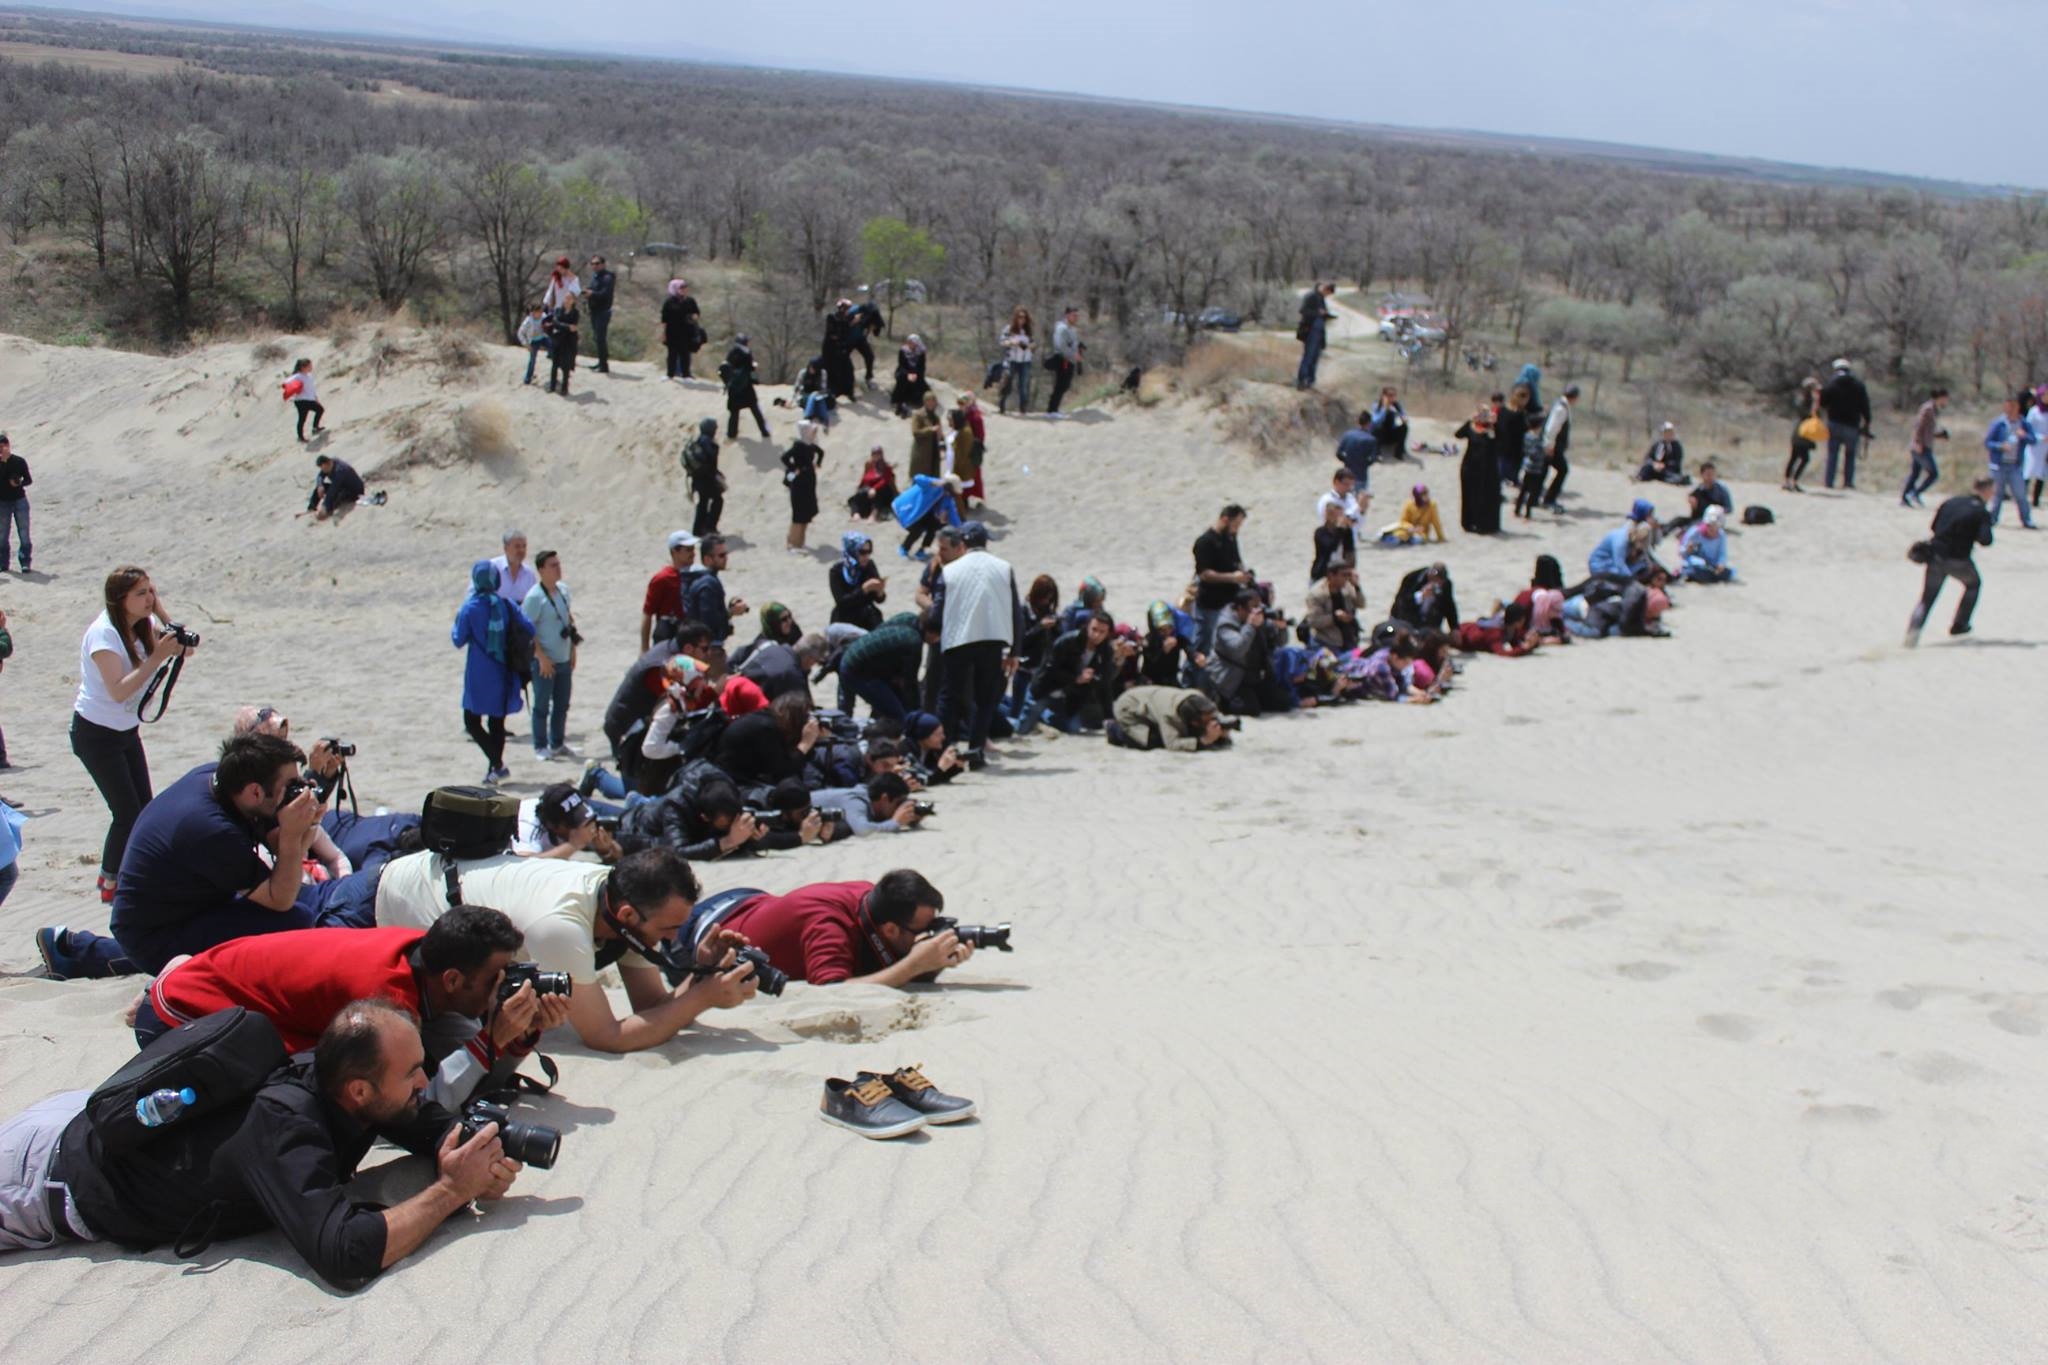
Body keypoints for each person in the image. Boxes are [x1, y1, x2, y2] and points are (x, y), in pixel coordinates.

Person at [0, 998, 521, 1285]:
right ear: (359, 1089)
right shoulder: (286, 1124)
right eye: (412, 1071)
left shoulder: (342, 1081)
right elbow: (342, 1254)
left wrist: (479, 1150)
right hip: (42, 1178)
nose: (424, 1082)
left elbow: (426, 1123)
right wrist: (453, 1190)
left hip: (77, 1121)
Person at [137, 908, 569, 1107]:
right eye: (497, 978)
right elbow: (421, 1103)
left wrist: (518, 1037)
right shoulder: (384, 1004)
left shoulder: (424, 960)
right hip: (185, 1015)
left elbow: (472, 1061)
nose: (505, 985)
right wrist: (492, 1039)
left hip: (212, 977)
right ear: (453, 980)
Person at [39, 733, 378, 980]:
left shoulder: (217, 779)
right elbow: (280, 899)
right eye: (290, 785)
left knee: (302, 904)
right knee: (298, 922)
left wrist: (305, 813)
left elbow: (271, 846)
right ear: (255, 791)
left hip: (181, 908)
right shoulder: (211, 830)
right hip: (155, 935)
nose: (298, 789)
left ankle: (88, 953)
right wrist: (293, 836)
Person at [378, 846, 758, 1051]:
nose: (675, 939)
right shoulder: (561, 926)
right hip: (378, 906)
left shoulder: (618, 899)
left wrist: (702, 975)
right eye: (669, 928)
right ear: (627, 915)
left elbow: (652, 1009)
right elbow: (608, 1037)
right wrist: (704, 998)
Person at [71, 567, 195, 904]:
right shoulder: (104, 635)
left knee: (145, 809)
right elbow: (118, 691)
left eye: (150, 592)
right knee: (126, 813)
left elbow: (187, 650)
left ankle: (135, 872)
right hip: (95, 735)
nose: (148, 599)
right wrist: (156, 656)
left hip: (125, 732)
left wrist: (161, 614)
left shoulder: (144, 624)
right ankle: (110, 882)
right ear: (119, 599)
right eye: (140, 594)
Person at [703, 871, 973, 987]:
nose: (931, 933)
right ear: (890, 930)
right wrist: (913, 965)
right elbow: (833, 990)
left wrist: (932, 963)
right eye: (925, 929)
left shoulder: (875, 902)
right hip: (705, 928)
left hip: (751, 901)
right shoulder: (830, 926)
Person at [938, 521, 1017, 767]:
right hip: (992, 638)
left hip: (958, 639)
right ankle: (975, 751)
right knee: (985, 699)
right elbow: (1016, 611)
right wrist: (1015, 649)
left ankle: (945, 750)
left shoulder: (950, 570)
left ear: (963, 543)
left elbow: (939, 607)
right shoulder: (1003, 567)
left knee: (951, 697)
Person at [453, 561, 528, 784]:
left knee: (472, 721)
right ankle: (494, 767)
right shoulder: (506, 605)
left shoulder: (470, 608)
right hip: (504, 671)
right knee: (497, 724)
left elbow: (458, 639)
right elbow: (528, 628)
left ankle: (496, 764)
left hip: (479, 673)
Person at [1906, 475, 1995, 646]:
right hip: (1958, 560)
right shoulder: (1981, 512)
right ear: (1987, 490)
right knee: (1974, 584)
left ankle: (1911, 637)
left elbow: (1934, 527)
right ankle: (1960, 624)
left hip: (1935, 555)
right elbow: (1986, 540)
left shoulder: (1951, 502)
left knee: (1927, 599)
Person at [522, 549, 578, 761]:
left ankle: (557, 743)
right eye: (553, 565)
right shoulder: (534, 597)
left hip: (564, 656)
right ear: (541, 570)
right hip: (545, 660)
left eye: (558, 564)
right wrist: (541, 657)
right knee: (542, 705)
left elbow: (569, 620)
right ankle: (540, 745)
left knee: (562, 704)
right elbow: (528, 631)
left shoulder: (563, 590)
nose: (558, 568)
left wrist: (573, 649)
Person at [1205, 590, 1292, 716]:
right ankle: (1223, 702)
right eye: (1253, 607)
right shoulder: (1225, 625)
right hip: (1233, 678)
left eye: (1259, 606)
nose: (1258, 611)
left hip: (1255, 675)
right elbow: (1237, 650)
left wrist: (1282, 628)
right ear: (1240, 609)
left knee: (1284, 703)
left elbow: (1280, 643)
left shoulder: (1260, 618)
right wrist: (1250, 626)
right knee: (1251, 709)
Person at [1035, 611, 1122, 732]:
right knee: (1021, 725)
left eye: (1102, 632)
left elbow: (1105, 684)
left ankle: (1045, 717)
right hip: (1047, 690)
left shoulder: (1105, 651)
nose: (1097, 635)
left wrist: (1109, 717)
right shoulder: (1068, 641)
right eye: (1094, 629)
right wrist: (1075, 677)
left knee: (1072, 728)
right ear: (1087, 627)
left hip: (1070, 696)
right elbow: (1049, 671)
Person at [837, 610, 926, 722]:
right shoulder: (914, 641)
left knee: (889, 706)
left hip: (854, 657)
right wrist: (917, 714)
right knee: (897, 716)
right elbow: (910, 683)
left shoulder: (907, 618)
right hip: (859, 671)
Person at [1191, 503, 1252, 654]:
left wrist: (1244, 574)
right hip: (1211, 604)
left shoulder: (1230, 539)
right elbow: (1204, 574)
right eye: (1236, 524)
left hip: (1230, 601)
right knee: (1205, 646)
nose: (1237, 529)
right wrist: (1232, 578)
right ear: (1225, 519)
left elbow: (1236, 561)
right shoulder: (1205, 542)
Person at [1107, 686, 1229, 752]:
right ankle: (1114, 729)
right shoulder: (1169, 715)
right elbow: (1172, 744)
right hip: (1129, 708)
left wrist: (1222, 733)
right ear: (1194, 722)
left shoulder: (1198, 700)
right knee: (1151, 742)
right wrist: (1204, 740)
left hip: (1152, 702)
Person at [809, 773, 927, 836]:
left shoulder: (870, 799)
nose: (900, 808)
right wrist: (894, 823)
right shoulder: (856, 801)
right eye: (898, 803)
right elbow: (862, 830)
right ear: (884, 798)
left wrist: (912, 819)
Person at [683, 532, 747, 645]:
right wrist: (731, 612)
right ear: (707, 559)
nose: (726, 559)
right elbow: (708, 622)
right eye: (721, 556)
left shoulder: (704, 578)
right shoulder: (708, 584)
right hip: (709, 647)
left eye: (726, 554)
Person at [640, 530, 699, 652]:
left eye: (693, 549)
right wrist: (644, 648)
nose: (693, 554)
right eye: (688, 550)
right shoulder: (662, 579)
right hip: (669, 638)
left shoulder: (697, 576)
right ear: (674, 552)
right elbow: (648, 613)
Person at [1985, 393, 2037, 529]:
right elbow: (1988, 442)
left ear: (2018, 407)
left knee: (2020, 495)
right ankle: (1992, 519)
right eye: (2008, 406)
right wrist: (2000, 446)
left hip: (2015, 465)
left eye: (2013, 406)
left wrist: (2024, 436)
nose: (2010, 409)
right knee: (1997, 495)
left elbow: (2033, 440)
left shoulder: (2024, 423)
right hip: (1999, 464)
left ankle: (2026, 520)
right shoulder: (1999, 423)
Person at [1819, 358, 1872, 490]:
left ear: (1836, 370)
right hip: (1852, 425)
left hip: (1834, 423)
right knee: (1850, 455)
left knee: (1832, 454)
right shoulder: (1859, 385)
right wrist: (1867, 421)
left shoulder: (1831, 384)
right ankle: (1848, 482)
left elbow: (1823, 403)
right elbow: (1865, 405)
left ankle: (1829, 482)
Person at [1900, 387, 1951, 508]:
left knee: (1915, 473)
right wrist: (1917, 442)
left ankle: (1905, 497)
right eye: (1945, 399)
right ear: (1940, 397)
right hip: (1920, 447)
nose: (1946, 402)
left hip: (1923, 445)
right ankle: (1915, 493)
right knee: (1933, 473)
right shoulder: (1927, 409)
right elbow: (1919, 426)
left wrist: (1939, 435)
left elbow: (1927, 431)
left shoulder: (1933, 410)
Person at [894, 472, 962, 560]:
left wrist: (960, 530)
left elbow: (953, 516)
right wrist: (932, 483)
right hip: (908, 508)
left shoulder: (947, 498)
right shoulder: (933, 484)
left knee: (935, 525)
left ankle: (922, 550)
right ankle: (904, 548)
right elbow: (917, 478)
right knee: (917, 530)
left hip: (923, 514)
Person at [1456, 405, 1501, 533]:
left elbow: (1501, 440)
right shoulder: (1471, 428)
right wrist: (1469, 420)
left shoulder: (1492, 430)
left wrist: (1494, 424)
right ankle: (1468, 523)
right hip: (1469, 467)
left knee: (1485, 497)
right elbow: (1458, 434)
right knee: (1468, 495)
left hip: (1487, 470)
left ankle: (1484, 525)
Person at [781, 420, 824, 552]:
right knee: (798, 514)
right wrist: (795, 468)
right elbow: (784, 457)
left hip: (809, 482)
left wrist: (818, 463)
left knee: (806, 513)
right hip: (799, 482)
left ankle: (800, 543)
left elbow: (821, 452)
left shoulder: (810, 444)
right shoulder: (799, 445)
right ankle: (791, 543)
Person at [830, 531, 887, 630]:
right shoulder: (836, 571)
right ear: (852, 551)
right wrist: (863, 590)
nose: (866, 556)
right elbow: (842, 602)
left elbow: (879, 600)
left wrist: (880, 591)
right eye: (862, 552)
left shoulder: (869, 565)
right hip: (845, 618)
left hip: (868, 615)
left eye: (869, 552)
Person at [1303, 562, 1364, 652]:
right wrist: (1335, 617)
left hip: (1349, 637)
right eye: (1344, 575)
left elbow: (1361, 604)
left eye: (1349, 575)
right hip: (1327, 641)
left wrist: (1357, 587)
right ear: (1331, 575)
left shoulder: (1347, 587)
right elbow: (1313, 621)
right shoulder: (1317, 594)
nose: (1347, 578)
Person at [680, 417, 724, 536]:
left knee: (703, 503)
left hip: (698, 478)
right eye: (714, 428)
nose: (716, 430)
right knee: (718, 501)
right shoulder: (707, 441)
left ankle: (698, 530)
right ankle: (709, 527)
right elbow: (710, 458)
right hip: (707, 479)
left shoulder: (699, 439)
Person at [722, 334, 770, 439]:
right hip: (746, 387)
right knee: (755, 408)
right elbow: (750, 368)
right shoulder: (747, 353)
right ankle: (764, 431)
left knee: (734, 412)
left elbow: (726, 369)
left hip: (734, 388)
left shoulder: (732, 353)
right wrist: (754, 367)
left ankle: (731, 433)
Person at [1541, 384, 1579, 509]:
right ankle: (1549, 499)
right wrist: (1550, 446)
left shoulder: (1561, 405)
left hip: (1552, 445)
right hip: (1553, 446)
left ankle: (1537, 497)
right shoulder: (1561, 409)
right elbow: (1552, 429)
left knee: (1542, 471)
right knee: (1563, 470)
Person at [1392, 562, 1460, 631]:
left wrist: (1454, 628)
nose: (1437, 584)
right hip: (1405, 622)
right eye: (1434, 580)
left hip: (1430, 625)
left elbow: (1449, 606)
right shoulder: (1411, 578)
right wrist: (1420, 596)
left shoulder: (1446, 584)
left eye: (1440, 582)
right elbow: (1402, 603)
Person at [1493, 385, 1536, 487]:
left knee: (1501, 472)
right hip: (1511, 449)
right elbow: (1523, 430)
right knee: (1502, 473)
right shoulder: (1519, 415)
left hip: (1502, 447)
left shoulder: (1502, 410)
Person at [1785, 375, 1823, 492]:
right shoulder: (1802, 400)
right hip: (1801, 432)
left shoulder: (1812, 400)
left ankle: (1790, 481)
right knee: (1799, 457)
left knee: (1797, 457)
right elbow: (1805, 414)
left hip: (1805, 432)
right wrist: (1814, 407)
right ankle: (1791, 481)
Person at [1679, 507, 1736, 583]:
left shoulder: (1721, 535)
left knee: (1727, 574)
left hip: (1712, 565)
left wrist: (1721, 563)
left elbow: (1722, 552)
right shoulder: (1695, 532)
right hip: (1696, 564)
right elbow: (1682, 552)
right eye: (1710, 526)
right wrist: (1688, 550)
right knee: (1695, 572)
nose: (1713, 529)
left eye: (1716, 527)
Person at [660, 279, 702, 381]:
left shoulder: (690, 301)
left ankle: (686, 375)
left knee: (685, 354)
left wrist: (693, 317)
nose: (684, 290)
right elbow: (664, 319)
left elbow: (696, 313)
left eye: (685, 288)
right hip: (672, 332)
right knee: (672, 354)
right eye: (681, 288)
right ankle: (670, 374)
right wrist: (664, 333)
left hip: (686, 332)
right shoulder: (669, 302)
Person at [0, 434, 30, 571]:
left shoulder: (19, 461)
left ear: (8, 445)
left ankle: (25, 562)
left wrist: (18, 483)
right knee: (2, 534)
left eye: (3, 446)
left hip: (19, 500)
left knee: (24, 533)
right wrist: (4, 463)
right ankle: (3, 563)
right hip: (3, 502)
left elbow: (29, 480)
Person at [1296, 282, 1335, 390]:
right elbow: (1303, 311)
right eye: (1327, 293)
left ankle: (1310, 380)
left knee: (1315, 357)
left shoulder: (1321, 299)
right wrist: (1318, 313)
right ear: (1325, 289)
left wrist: (1326, 315)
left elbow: (1322, 313)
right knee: (1308, 356)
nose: (1327, 296)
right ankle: (1302, 380)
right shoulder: (1311, 296)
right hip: (1310, 330)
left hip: (1319, 332)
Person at [304, 453, 363, 522]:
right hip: (341, 487)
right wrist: (320, 485)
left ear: (326, 464)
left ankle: (326, 512)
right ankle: (312, 508)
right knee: (321, 488)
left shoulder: (340, 470)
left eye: (322, 467)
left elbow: (333, 490)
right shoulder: (329, 465)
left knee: (335, 497)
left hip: (353, 490)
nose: (322, 470)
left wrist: (325, 506)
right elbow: (320, 476)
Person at [998, 306, 1036, 414]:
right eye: (1019, 317)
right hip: (1012, 359)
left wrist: (1029, 346)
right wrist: (1013, 342)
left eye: (1024, 317)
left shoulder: (1027, 331)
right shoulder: (1008, 329)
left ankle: (1023, 407)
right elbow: (1002, 342)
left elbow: (1033, 343)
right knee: (1008, 381)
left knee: (1023, 385)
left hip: (1025, 360)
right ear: (1015, 317)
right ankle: (1002, 403)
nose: (1022, 319)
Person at [1047, 306, 1083, 416]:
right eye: (1074, 315)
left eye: (1077, 315)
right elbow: (1061, 345)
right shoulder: (1062, 328)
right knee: (1061, 384)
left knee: (1064, 385)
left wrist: (1078, 347)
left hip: (1069, 360)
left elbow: (1071, 343)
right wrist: (1074, 354)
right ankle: (1051, 410)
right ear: (1067, 315)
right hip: (1063, 359)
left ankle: (1055, 408)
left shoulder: (1071, 328)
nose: (1076, 317)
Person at [1310, 498, 1358, 583]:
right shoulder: (1320, 532)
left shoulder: (1345, 532)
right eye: (1336, 515)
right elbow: (1330, 547)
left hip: (1341, 575)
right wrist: (1339, 529)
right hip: (1321, 575)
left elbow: (1350, 551)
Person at [848, 444, 899, 521]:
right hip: (870, 489)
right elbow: (865, 477)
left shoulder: (887, 466)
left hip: (884, 491)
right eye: (874, 454)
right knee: (854, 498)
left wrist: (874, 489)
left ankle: (874, 515)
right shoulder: (869, 464)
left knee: (878, 494)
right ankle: (856, 514)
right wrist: (860, 487)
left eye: (878, 454)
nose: (876, 456)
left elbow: (885, 480)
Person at [583, 255, 614, 373]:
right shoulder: (595, 277)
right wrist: (587, 291)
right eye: (592, 264)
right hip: (594, 311)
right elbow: (593, 289)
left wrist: (592, 294)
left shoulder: (607, 278)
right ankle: (601, 362)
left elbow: (605, 294)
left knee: (600, 338)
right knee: (597, 337)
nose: (594, 266)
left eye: (597, 263)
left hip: (603, 311)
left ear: (603, 264)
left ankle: (604, 366)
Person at [491, 530, 538, 607]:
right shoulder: (492, 568)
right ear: (506, 548)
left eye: (524, 546)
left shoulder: (529, 574)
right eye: (517, 546)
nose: (522, 550)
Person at [1336, 410, 1379, 487]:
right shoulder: (1371, 439)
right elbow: (1372, 459)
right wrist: (1364, 464)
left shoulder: (1347, 435)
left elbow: (1338, 453)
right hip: (1361, 476)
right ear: (1369, 423)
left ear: (1358, 421)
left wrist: (1347, 460)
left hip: (1347, 475)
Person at [890, 336, 930, 418]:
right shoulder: (903, 350)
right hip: (904, 371)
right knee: (902, 380)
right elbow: (901, 364)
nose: (910, 344)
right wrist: (908, 374)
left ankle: (915, 403)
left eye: (912, 343)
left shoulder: (921, 352)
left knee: (920, 386)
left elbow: (922, 367)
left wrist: (916, 374)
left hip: (917, 373)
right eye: (909, 342)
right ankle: (900, 404)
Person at [908, 391, 943, 480]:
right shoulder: (918, 415)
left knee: (932, 480)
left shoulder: (936, 417)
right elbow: (915, 432)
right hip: (922, 453)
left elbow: (940, 433)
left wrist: (943, 445)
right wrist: (930, 429)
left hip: (934, 453)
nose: (931, 403)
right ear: (924, 402)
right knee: (920, 480)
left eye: (933, 401)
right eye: (928, 401)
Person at [287, 358, 324, 441]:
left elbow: (311, 388)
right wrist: (294, 389)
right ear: (303, 367)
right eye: (309, 366)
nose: (311, 367)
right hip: (301, 400)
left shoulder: (309, 376)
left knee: (320, 410)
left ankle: (315, 428)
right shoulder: (297, 376)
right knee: (302, 418)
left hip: (309, 399)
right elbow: (288, 384)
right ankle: (301, 436)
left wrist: (315, 397)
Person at [1370, 387, 1409, 461]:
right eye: (1389, 395)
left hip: (1390, 433)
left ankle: (1399, 452)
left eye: (1394, 395)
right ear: (1383, 396)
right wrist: (1385, 409)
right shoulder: (1377, 405)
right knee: (1378, 428)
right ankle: (1377, 453)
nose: (1392, 398)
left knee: (1404, 427)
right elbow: (1375, 421)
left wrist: (1403, 418)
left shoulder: (1396, 405)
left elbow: (1403, 415)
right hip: (1379, 435)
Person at [517, 303, 550, 385]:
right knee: (532, 359)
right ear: (533, 312)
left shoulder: (544, 317)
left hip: (543, 338)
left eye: (540, 311)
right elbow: (520, 333)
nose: (539, 313)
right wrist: (526, 344)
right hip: (533, 341)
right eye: (537, 312)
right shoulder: (528, 321)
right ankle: (528, 377)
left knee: (553, 347)